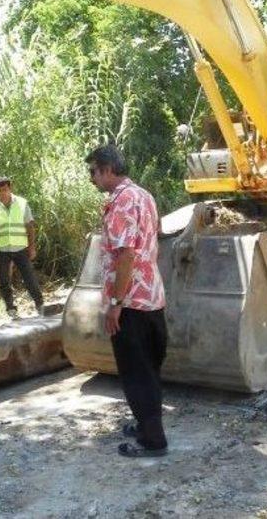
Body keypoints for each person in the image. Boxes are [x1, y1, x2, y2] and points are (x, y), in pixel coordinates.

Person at [86, 144, 168, 458]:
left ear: (107, 169)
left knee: (136, 373)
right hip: (152, 297)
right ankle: (146, 425)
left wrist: (116, 303)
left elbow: (125, 255)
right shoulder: (144, 196)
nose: (92, 178)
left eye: (93, 171)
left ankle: (153, 440)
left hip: (131, 303)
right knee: (149, 368)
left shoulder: (120, 202)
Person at [0, 176, 44, 318]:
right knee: (4, 280)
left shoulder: (22, 204)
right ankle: (11, 308)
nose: (2, 193)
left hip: (20, 248)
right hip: (2, 250)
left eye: (5, 189)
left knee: (29, 277)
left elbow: (29, 226)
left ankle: (40, 304)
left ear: (10, 188)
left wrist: (32, 247)